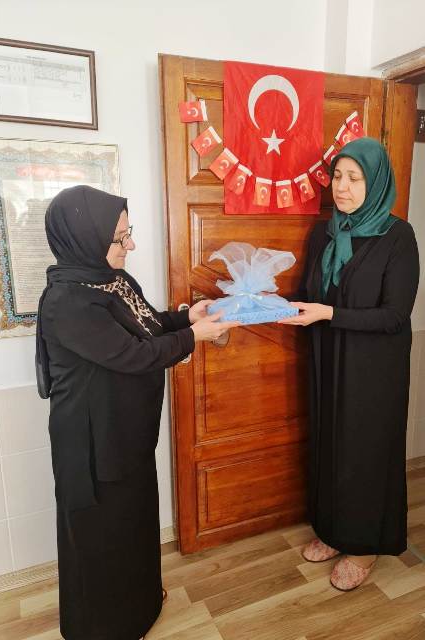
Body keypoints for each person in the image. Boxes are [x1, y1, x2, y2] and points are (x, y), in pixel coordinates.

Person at [36, 185, 239, 640]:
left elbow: (146, 325)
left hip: (125, 431)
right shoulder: (67, 302)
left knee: (133, 521)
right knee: (102, 533)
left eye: (129, 233)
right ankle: (107, 628)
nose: (130, 245)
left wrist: (187, 318)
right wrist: (195, 338)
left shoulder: (114, 281)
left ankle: (139, 604)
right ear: (85, 237)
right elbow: (131, 354)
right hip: (92, 442)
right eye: (120, 238)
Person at [279, 137, 420, 591]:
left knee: (364, 452)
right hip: (328, 358)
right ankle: (333, 531)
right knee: (331, 446)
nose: (341, 187)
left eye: (354, 178)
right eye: (337, 176)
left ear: (375, 182)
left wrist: (328, 314)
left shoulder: (398, 237)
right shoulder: (325, 232)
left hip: (373, 369)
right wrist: (262, 302)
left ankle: (363, 545)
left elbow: (394, 315)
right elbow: (310, 294)